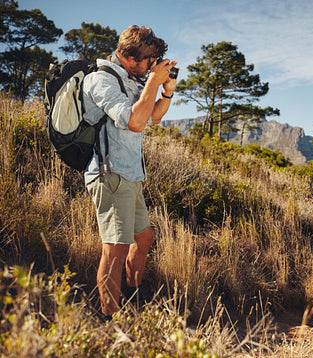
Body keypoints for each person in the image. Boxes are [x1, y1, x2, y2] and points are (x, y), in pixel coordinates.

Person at [82, 25, 178, 320]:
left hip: (130, 176)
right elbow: (134, 122)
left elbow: (153, 117)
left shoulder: (130, 79)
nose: (152, 66)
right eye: (149, 61)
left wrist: (166, 90)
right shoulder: (101, 81)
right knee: (115, 251)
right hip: (109, 175)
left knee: (144, 239)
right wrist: (152, 81)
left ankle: (133, 301)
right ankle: (110, 322)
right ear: (130, 57)